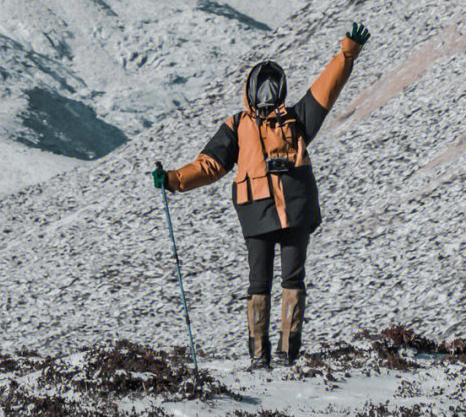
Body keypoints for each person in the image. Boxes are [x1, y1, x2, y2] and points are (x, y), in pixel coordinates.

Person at [152, 21, 370, 369]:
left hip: (293, 213)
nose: (267, 94)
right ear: (251, 91)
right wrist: (174, 180)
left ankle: (286, 353)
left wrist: (348, 54)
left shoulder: (295, 119)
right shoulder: (238, 125)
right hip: (261, 215)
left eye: (273, 87)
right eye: (262, 87)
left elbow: (326, 89)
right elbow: (209, 164)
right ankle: (259, 354)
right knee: (259, 284)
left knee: (291, 280)